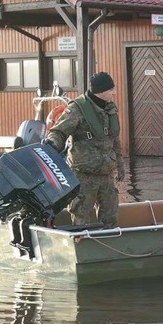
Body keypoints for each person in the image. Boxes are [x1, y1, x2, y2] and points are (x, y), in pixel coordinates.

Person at [44, 71, 124, 228]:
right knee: (81, 217)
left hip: (106, 174)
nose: (114, 92)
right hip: (83, 175)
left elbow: (114, 139)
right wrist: (52, 145)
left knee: (111, 216)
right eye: (111, 89)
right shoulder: (77, 109)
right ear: (101, 91)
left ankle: (108, 246)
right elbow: (58, 132)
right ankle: (82, 245)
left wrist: (120, 165)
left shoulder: (110, 109)